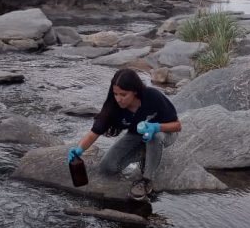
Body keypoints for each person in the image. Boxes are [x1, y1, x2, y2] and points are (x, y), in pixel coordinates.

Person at [67, 68, 181, 200]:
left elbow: (177, 126)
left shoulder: (152, 96)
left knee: (155, 137)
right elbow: (94, 132)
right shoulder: (113, 106)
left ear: (135, 91)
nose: (119, 99)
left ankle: (146, 180)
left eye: (123, 94)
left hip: (164, 133)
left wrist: (156, 127)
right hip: (136, 135)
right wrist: (79, 149)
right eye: (116, 94)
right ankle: (146, 153)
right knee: (107, 167)